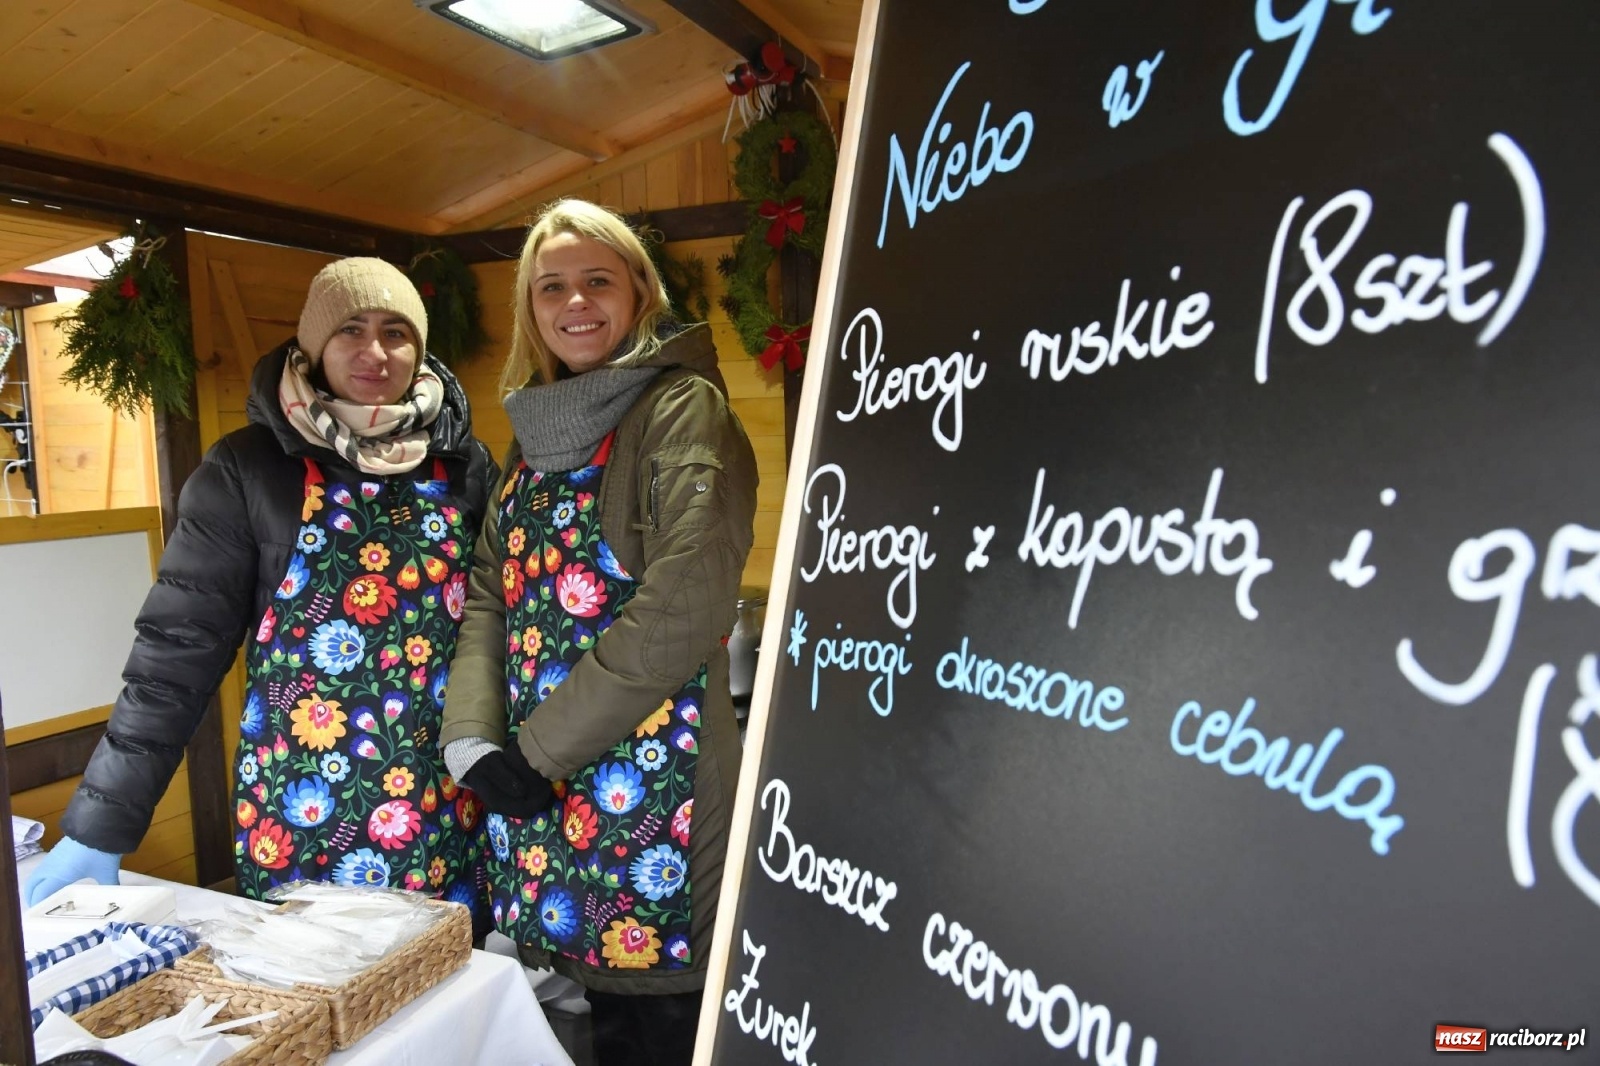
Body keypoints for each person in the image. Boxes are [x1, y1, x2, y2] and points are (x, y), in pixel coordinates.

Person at [26, 259, 496, 925]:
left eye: (396, 332)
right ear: (313, 345)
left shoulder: (464, 465)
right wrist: (100, 825)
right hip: (304, 808)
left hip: (444, 799)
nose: (374, 351)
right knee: (312, 982)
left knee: (448, 975)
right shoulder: (247, 468)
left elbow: (497, 623)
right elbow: (175, 655)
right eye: (351, 329)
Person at [440, 199, 756, 1065]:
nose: (574, 302)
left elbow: (682, 607)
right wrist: (473, 740)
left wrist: (535, 752)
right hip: (546, 788)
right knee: (599, 1016)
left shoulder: (683, 408)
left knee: (662, 1024)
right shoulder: (536, 432)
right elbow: (490, 595)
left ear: (640, 293)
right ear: (529, 309)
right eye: (551, 287)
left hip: (653, 788)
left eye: (597, 281)